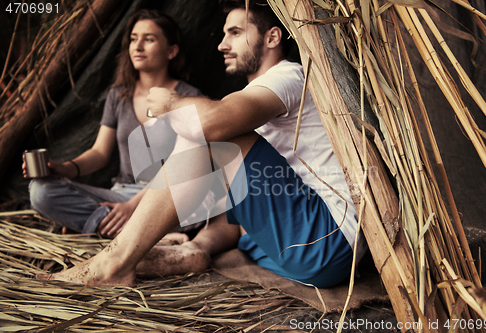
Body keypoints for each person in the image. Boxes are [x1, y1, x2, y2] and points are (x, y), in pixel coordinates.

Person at [38, 0, 366, 288]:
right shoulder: (258, 99)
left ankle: (113, 263)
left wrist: (170, 102)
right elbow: (239, 199)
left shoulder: (288, 76)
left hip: (327, 239)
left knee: (213, 137)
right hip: (298, 248)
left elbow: (210, 125)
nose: (223, 44)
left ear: (272, 37)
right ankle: (193, 249)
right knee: (224, 168)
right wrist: (200, 245)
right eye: (224, 34)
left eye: (235, 33)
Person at [23, 9, 208, 239]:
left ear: (172, 51)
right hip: (121, 195)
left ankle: (99, 226)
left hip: (167, 197)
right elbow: (100, 153)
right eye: (133, 39)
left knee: (196, 207)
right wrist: (64, 168)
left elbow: (183, 166)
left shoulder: (190, 98)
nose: (137, 46)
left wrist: (132, 207)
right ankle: (125, 231)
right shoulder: (118, 96)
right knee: (40, 191)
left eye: (148, 39)